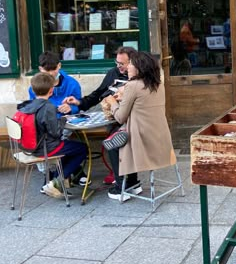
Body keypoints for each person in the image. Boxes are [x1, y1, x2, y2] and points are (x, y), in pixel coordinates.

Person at [102, 51, 176, 202]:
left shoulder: (133, 85)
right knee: (120, 137)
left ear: (139, 67)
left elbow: (120, 116)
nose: (128, 67)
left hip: (141, 141)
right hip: (161, 139)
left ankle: (121, 185)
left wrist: (112, 102)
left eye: (131, 64)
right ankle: (133, 182)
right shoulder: (158, 84)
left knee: (113, 143)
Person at [64, 46, 137, 185]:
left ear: (132, 62)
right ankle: (124, 177)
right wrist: (79, 102)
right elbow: (97, 94)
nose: (118, 67)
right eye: (117, 63)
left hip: (132, 120)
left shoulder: (139, 77)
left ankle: (124, 181)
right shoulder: (113, 73)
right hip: (114, 117)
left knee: (115, 140)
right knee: (114, 136)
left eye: (122, 64)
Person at [17, 73, 87, 199]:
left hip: (28, 147)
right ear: (51, 90)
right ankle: (57, 181)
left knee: (67, 150)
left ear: (33, 90)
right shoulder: (48, 107)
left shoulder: (27, 105)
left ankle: (50, 182)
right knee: (82, 149)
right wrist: (63, 120)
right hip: (45, 148)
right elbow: (56, 133)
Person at [28, 51, 82, 116]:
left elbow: (80, 104)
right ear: (40, 69)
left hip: (67, 123)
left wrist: (71, 108)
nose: (51, 73)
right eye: (47, 70)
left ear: (59, 65)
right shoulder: (35, 86)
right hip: (45, 123)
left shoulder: (72, 84)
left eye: (53, 69)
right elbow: (32, 110)